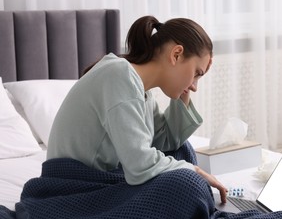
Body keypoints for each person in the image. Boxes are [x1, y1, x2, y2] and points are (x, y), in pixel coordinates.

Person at [47, 15, 227, 203]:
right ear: (176, 54)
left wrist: (185, 89)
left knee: (182, 152)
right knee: (187, 183)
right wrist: (195, 171)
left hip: (100, 179)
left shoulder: (142, 91)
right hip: (73, 186)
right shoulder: (119, 76)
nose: (195, 86)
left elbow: (167, 141)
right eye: (197, 73)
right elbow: (139, 165)